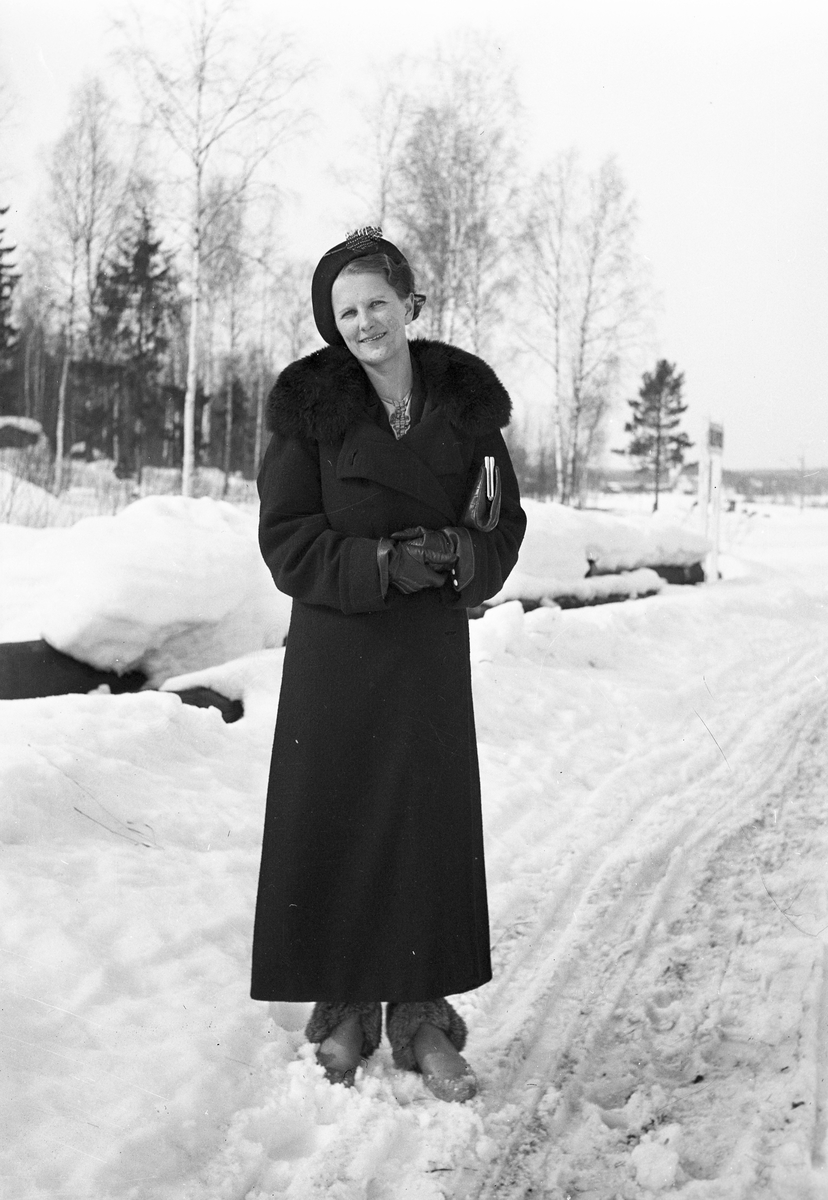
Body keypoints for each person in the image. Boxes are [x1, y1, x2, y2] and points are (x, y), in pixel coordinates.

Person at [251, 227, 526, 1102]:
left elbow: (503, 523)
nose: (365, 322)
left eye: (377, 303)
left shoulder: (466, 405)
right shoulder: (309, 409)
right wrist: (380, 564)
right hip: (337, 649)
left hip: (425, 654)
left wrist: (457, 552)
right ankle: (342, 1009)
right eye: (347, 312)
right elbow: (286, 539)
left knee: (422, 827)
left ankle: (420, 1017)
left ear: (410, 304)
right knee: (337, 818)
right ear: (332, 325)